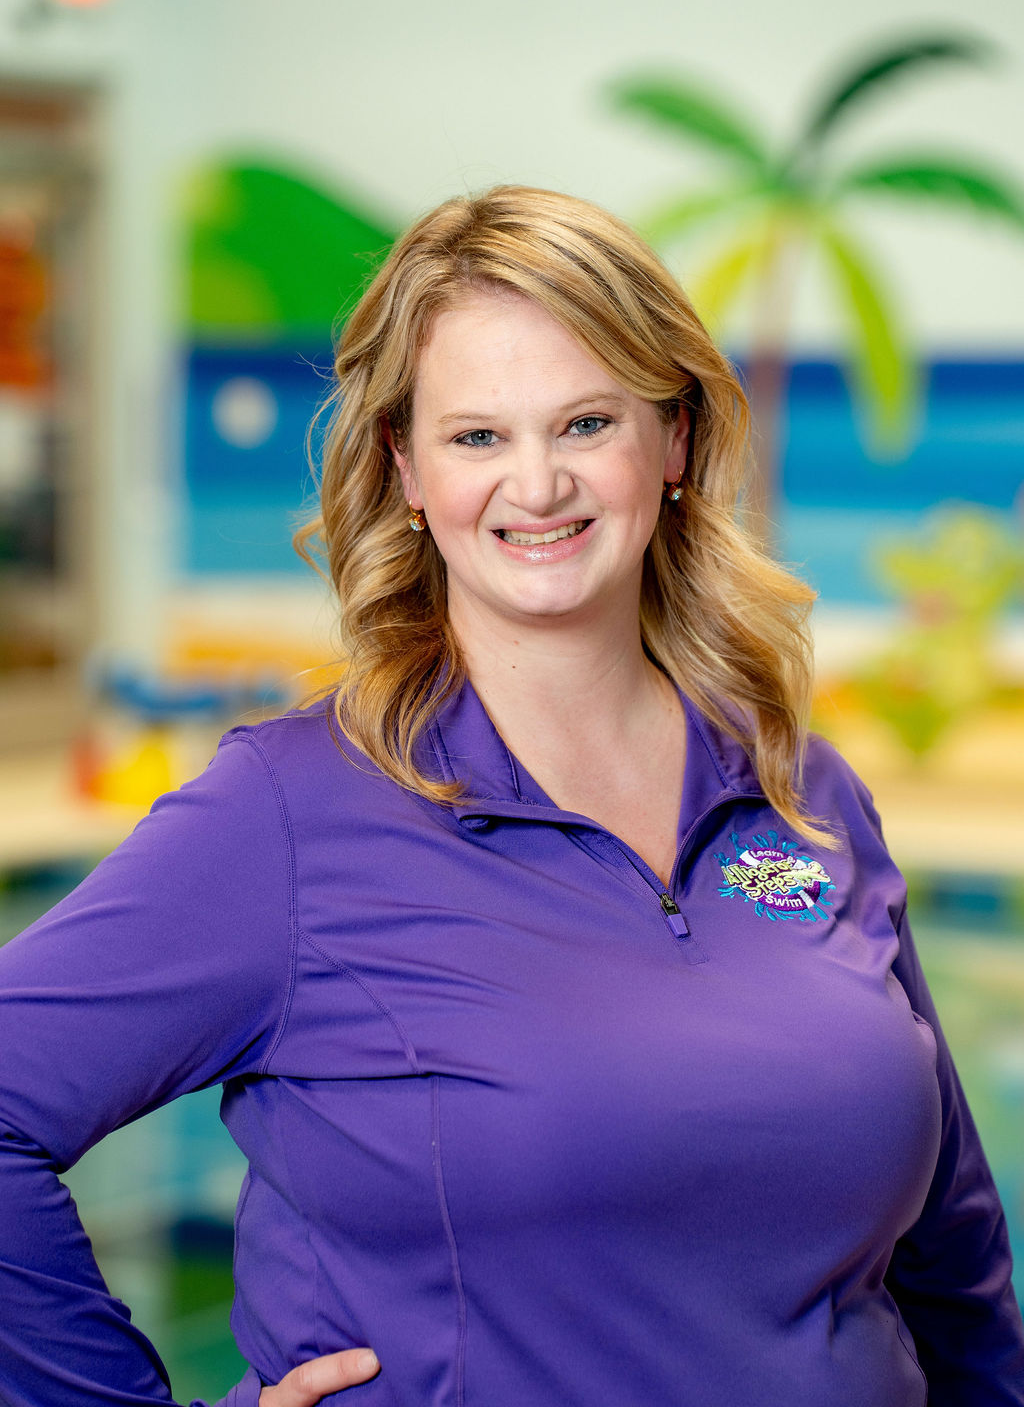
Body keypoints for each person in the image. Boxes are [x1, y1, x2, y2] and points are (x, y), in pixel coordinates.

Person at [1, 184, 1023, 1407]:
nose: (536, 485)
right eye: (477, 437)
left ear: (674, 440)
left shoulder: (800, 792)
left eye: (586, 422)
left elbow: (953, 1253)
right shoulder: (286, 816)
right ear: (406, 468)